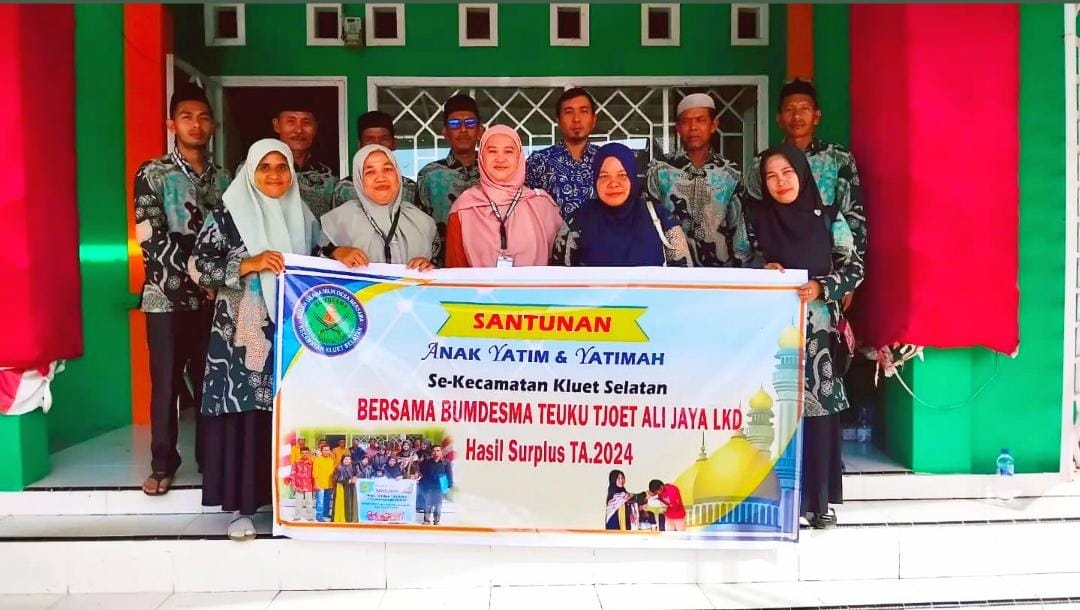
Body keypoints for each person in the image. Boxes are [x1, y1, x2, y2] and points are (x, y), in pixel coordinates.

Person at [190, 138, 321, 540]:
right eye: (265, 167)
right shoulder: (228, 214)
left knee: (290, 414)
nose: (275, 175)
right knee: (246, 417)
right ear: (250, 172)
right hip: (245, 337)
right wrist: (249, 263)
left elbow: (321, 257)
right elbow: (198, 267)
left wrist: (342, 253)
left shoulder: (303, 214)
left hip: (293, 334)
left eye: (282, 167)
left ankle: (291, 509)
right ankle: (241, 511)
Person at [746, 143, 864, 529]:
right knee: (770, 412)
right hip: (770, 333)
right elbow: (739, 259)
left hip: (819, 335)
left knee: (817, 413)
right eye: (771, 176)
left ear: (802, 174)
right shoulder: (756, 219)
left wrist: (822, 286)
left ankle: (818, 502)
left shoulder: (828, 218)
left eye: (787, 173)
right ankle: (772, 502)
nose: (780, 182)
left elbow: (854, 269)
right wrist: (761, 269)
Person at [135, 86, 230, 497]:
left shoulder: (224, 178)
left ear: (213, 125)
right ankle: (163, 462)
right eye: (187, 116)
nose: (197, 124)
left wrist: (218, 279)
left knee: (212, 380)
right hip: (167, 297)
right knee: (167, 382)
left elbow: (233, 236)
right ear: (172, 124)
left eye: (204, 117)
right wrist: (202, 279)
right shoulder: (153, 173)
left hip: (215, 298)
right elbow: (152, 237)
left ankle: (211, 460)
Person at [741, 79, 867, 312]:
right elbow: (750, 219)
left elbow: (853, 215)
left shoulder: (837, 158)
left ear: (816, 116)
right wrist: (761, 269)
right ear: (779, 118)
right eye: (789, 109)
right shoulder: (762, 163)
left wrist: (843, 283)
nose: (797, 116)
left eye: (804, 108)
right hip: (776, 279)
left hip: (824, 269)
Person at [647, 93, 751, 268]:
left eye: (700, 120)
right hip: (670, 272)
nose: (693, 127)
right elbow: (648, 220)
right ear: (678, 128)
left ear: (713, 125)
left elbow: (740, 229)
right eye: (686, 121)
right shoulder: (659, 169)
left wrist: (743, 271)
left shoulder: (730, 173)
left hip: (720, 273)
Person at [444, 126, 564, 268]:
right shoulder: (463, 208)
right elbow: (455, 271)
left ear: (519, 157)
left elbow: (559, 266)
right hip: (478, 284)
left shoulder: (543, 206)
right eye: (492, 151)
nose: (500, 159)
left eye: (508, 151)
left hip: (536, 284)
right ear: (481, 157)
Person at [557, 143, 690, 267]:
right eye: (604, 176)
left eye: (622, 175)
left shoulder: (661, 219)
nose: (613, 184)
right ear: (595, 178)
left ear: (632, 177)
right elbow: (557, 279)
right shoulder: (576, 222)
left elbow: (684, 278)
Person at [320, 145, 437, 271]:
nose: (381, 178)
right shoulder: (339, 220)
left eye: (387, 169)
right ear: (359, 179)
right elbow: (315, 263)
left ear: (398, 175)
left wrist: (427, 267)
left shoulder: (422, 222)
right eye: (370, 172)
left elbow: (442, 272)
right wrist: (338, 252)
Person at [239, 94, 338, 218]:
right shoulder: (253, 169)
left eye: (306, 122)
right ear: (276, 125)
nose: (299, 130)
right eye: (291, 121)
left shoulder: (329, 176)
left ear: (316, 127)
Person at [416, 94, 484, 265]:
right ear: (445, 132)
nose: (463, 129)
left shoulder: (494, 172)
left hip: (486, 265)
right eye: (455, 124)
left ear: (480, 131)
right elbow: (419, 227)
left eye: (470, 123)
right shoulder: (430, 175)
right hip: (441, 267)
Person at [524, 87, 599, 219]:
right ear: (558, 120)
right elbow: (523, 211)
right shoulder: (538, 161)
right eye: (569, 112)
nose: (576, 119)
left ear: (594, 119)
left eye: (583, 111)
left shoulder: (606, 159)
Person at [330, 110, 419, 213]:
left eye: (384, 139)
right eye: (369, 139)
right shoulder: (344, 188)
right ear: (360, 145)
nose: (377, 144)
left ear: (394, 143)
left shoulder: (410, 187)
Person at [418, 445, 453, 525]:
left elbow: (449, 474)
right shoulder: (427, 462)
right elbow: (422, 472)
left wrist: (449, 485)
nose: (436, 452)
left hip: (440, 487)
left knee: (438, 505)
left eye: (438, 450)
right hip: (429, 486)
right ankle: (426, 520)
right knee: (428, 504)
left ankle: (436, 521)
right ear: (432, 452)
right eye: (434, 451)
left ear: (441, 452)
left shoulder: (446, 462)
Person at [290, 446, 315, 522]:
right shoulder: (296, 462)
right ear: (300, 453)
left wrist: (315, 485)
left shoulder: (312, 462)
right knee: (298, 502)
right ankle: (297, 516)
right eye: (303, 453)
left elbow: (314, 474)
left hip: (308, 485)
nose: (304, 454)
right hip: (299, 485)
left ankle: (309, 517)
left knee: (309, 502)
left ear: (308, 453)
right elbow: (293, 473)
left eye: (306, 453)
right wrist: (293, 484)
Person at [332, 454, 360, 523]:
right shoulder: (339, 468)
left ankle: (350, 519)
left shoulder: (352, 467)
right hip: (342, 487)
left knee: (351, 503)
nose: (347, 461)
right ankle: (343, 519)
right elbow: (337, 478)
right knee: (343, 503)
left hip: (351, 487)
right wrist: (348, 481)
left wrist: (355, 477)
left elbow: (356, 474)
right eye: (345, 459)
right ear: (342, 460)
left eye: (349, 459)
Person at [313, 444, 336, 523]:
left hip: (329, 484)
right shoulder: (317, 460)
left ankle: (325, 513)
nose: (326, 451)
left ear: (330, 451)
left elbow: (333, 472)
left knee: (327, 500)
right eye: (324, 450)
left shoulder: (331, 460)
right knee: (320, 501)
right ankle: (319, 516)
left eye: (328, 450)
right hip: (320, 484)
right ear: (321, 451)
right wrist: (316, 484)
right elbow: (315, 473)